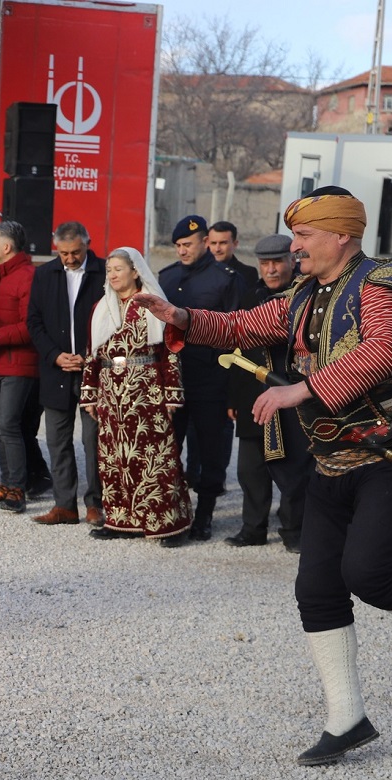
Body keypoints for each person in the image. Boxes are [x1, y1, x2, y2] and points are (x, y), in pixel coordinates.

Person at [134, 187, 392, 767]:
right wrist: (183, 318)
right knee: (316, 588)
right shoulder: (302, 295)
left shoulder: (383, 284)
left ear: (342, 235)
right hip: (332, 456)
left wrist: (302, 389)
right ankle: (347, 718)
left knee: (367, 570)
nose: (294, 247)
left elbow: (382, 351)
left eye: (304, 236)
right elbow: (244, 325)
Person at [80, 248, 192, 545]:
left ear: (135, 271)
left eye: (118, 269)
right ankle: (120, 521)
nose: (113, 275)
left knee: (155, 457)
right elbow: (92, 352)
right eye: (109, 270)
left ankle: (169, 524)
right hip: (110, 394)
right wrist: (89, 393)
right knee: (113, 458)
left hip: (147, 391)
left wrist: (172, 393)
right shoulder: (101, 307)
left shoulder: (153, 305)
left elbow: (169, 350)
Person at [223, 234, 310, 552]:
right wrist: (234, 398)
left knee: (295, 467)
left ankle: (294, 530)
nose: (270, 269)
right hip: (253, 396)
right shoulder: (250, 295)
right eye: (264, 263)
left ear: (291, 261)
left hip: (291, 395)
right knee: (251, 469)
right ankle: (253, 528)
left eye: (277, 262)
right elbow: (237, 347)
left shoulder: (305, 295)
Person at [158, 214, 240, 541]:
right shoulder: (166, 278)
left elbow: (238, 335)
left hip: (211, 380)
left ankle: (204, 514)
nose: (182, 251)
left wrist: (232, 391)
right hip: (173, 381)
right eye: (178, 245)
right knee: (168, 449)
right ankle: (172, 512)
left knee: (210, 453)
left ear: (205, 242)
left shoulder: (225, 280)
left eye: (188, 244)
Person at [27, 221, 106, 525]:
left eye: (76, 252)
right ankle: (64, 506)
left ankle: (95, 504)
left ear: (88, 243)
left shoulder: (105, 273)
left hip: (94, 372)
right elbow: (34, 321)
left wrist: (91, 356)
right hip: (56, 371)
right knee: (57, 440)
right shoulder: (44, 274)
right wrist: (55, 356)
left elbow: (114, 321)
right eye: (64, 253)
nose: (70, 258)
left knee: (93, 440)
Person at [0, 220, 37, 514]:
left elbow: (31, 326)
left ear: (7, 246)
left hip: (18, 364)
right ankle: (7, 483)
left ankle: (17, 488)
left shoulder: (27, 277)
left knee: (9, 425)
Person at [207, 221, 259, 302]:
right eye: (213, 243)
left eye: (223, 243)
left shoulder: (248, 273)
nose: (217, 249)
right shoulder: (198, 271)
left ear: (235, 244)